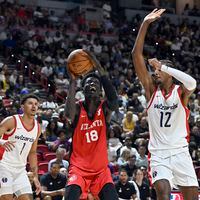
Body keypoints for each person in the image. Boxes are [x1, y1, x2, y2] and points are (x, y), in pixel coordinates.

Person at [132, 8, 198, 200]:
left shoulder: (181, 93)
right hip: (159, 154)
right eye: (156, 70)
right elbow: (136, 55)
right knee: (163, 193)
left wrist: (164, 66)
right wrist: (145, 23)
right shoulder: (152, 90)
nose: (156, 72)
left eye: (160, 70)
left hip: (181, 152)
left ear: (170, 73)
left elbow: (192, 83)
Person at [64, 50, 119, 200]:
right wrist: (73, 81)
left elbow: (114, 101)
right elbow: (68, 115)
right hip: (78, 169)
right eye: (88, 83)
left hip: (100, 171)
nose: (92, 84)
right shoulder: (76, 108)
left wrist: (96, 64)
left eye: (96, 83)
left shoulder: (105, 108)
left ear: (101, 90)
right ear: (83, 90)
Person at [0, 94, 41, 200]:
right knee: (6, 197)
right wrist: (1, 142)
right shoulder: (11, 121)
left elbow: (32, 152)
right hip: (3, 165)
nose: (34, 106)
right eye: (30, 103)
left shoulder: (37, 127)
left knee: (27, 198)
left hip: (20, 169)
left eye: (36, 104)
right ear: (22, 107)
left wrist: (35, 176)